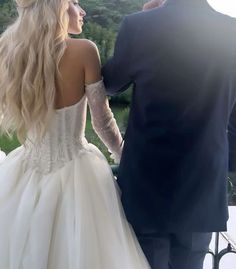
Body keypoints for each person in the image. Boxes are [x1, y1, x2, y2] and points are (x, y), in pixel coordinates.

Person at [0, 0, 151, 268]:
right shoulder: (84, 51)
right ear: (56, 7)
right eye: (74, 3)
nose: (82, 12)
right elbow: (102, 121)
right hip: (77, 170)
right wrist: (121, 153)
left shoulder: (9, 48)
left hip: (23, 170)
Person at [102, 0, 236, 268]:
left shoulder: (139, 25)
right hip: (203, 180)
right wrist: (225, 160)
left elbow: (110, 84)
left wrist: (142, 25)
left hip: (147, 181)